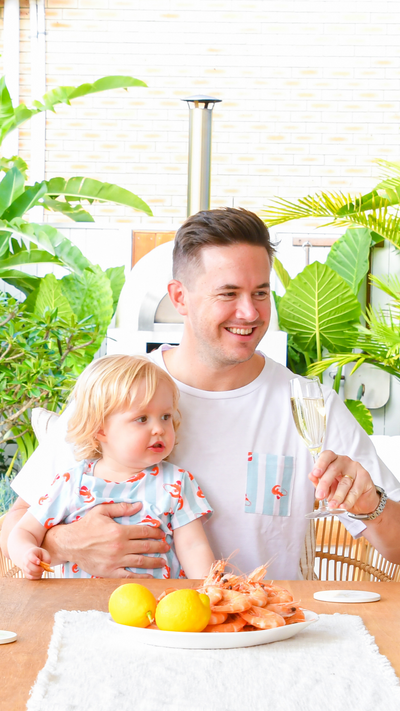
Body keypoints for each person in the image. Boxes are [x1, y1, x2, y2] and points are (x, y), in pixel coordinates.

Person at [2, 208, 400, 579]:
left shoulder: (310, 407)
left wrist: (372, 506)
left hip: (260, 633)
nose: (250, 313)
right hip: (123, 630)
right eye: (228, 294)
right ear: (180, 298)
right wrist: (65, 543)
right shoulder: (118, 392)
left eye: (260, 292)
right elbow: (13, 525)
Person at [7, 355, 214, 580]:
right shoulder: (70, 483)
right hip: (81, 610)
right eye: (142, 419)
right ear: (101, 429)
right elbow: (23, 531)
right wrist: (28, 555)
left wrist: (209, 593)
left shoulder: (177, 482)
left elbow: (194, 548)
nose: (159, 429)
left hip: (159, 608)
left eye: (165, 416)